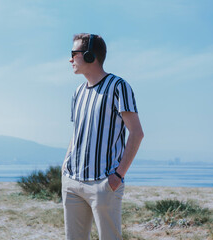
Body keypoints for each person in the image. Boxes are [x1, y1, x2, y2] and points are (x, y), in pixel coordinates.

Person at [62, 33, 144, 240]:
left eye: (74, 54)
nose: (70, 59)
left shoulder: (118, 86)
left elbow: (136, 133)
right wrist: (65, 166)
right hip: (72, 182)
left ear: (90, 56)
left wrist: (117, 176)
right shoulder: (77, 92)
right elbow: (77, 133)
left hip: (103, 183)